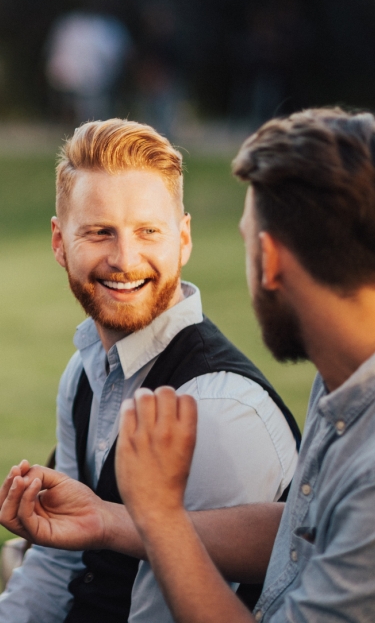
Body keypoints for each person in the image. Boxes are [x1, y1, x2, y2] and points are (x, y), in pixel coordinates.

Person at [6, 106, 375, 623]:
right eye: (99, 233)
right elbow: (297, 532)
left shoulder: (222, 412)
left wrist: (157, 517)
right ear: (58, 242)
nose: (124, 258)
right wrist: (113, 522)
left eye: (148, 232)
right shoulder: (337, 393)